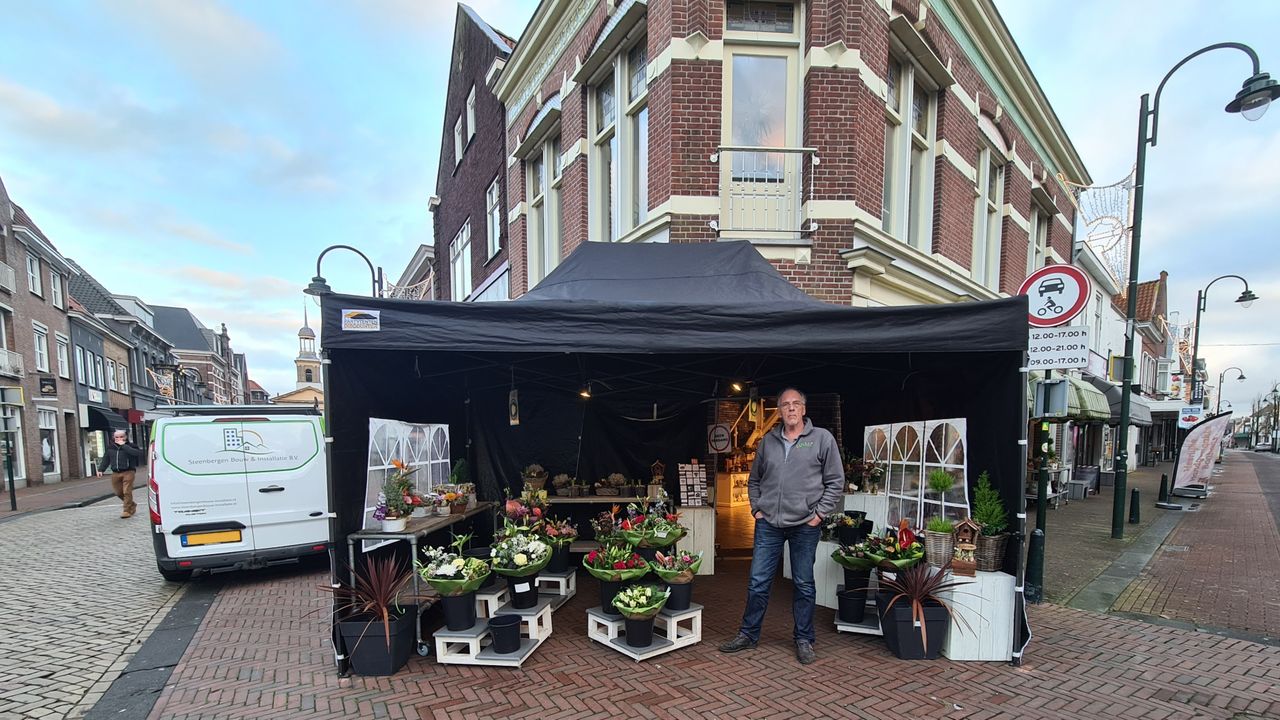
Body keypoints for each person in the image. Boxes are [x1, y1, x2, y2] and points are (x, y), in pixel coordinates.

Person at [718, 387, 844, 665]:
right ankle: (748, 634)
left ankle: (804, 639)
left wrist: (819, 515)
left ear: (803, 409)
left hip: (804, 525)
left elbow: (835, 482)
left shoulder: (822, 439)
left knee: (803, 584)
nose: (790, 409)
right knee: (758, 582)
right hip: (769, 525)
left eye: (795, 404)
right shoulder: (768, 442)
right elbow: (754, 480)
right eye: (784, 405)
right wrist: (756, 508)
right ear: (779, 411)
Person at [97, 430, 143, 518]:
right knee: (118, 492)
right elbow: (106, 459)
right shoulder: (111, 447)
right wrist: (101, 469)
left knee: (127, 491)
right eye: (117, 437)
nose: (119, 439)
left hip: (128, 471)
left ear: (125, 437)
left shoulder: (131, 446)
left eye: (121, 437)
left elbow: (137, 453)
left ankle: (126, 510)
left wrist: (124, 446)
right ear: (113, 438)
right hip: (115, 473)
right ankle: (132, 504)